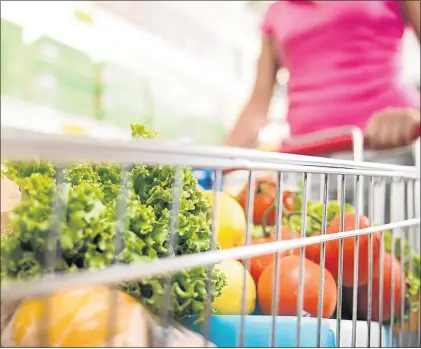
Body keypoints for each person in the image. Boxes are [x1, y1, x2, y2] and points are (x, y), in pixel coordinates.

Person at [225, 0, 420, 151]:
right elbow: (258, 106)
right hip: (309, 156)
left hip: (389, 146)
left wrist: (416, 119)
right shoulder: (276, 12)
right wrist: (212, 165)